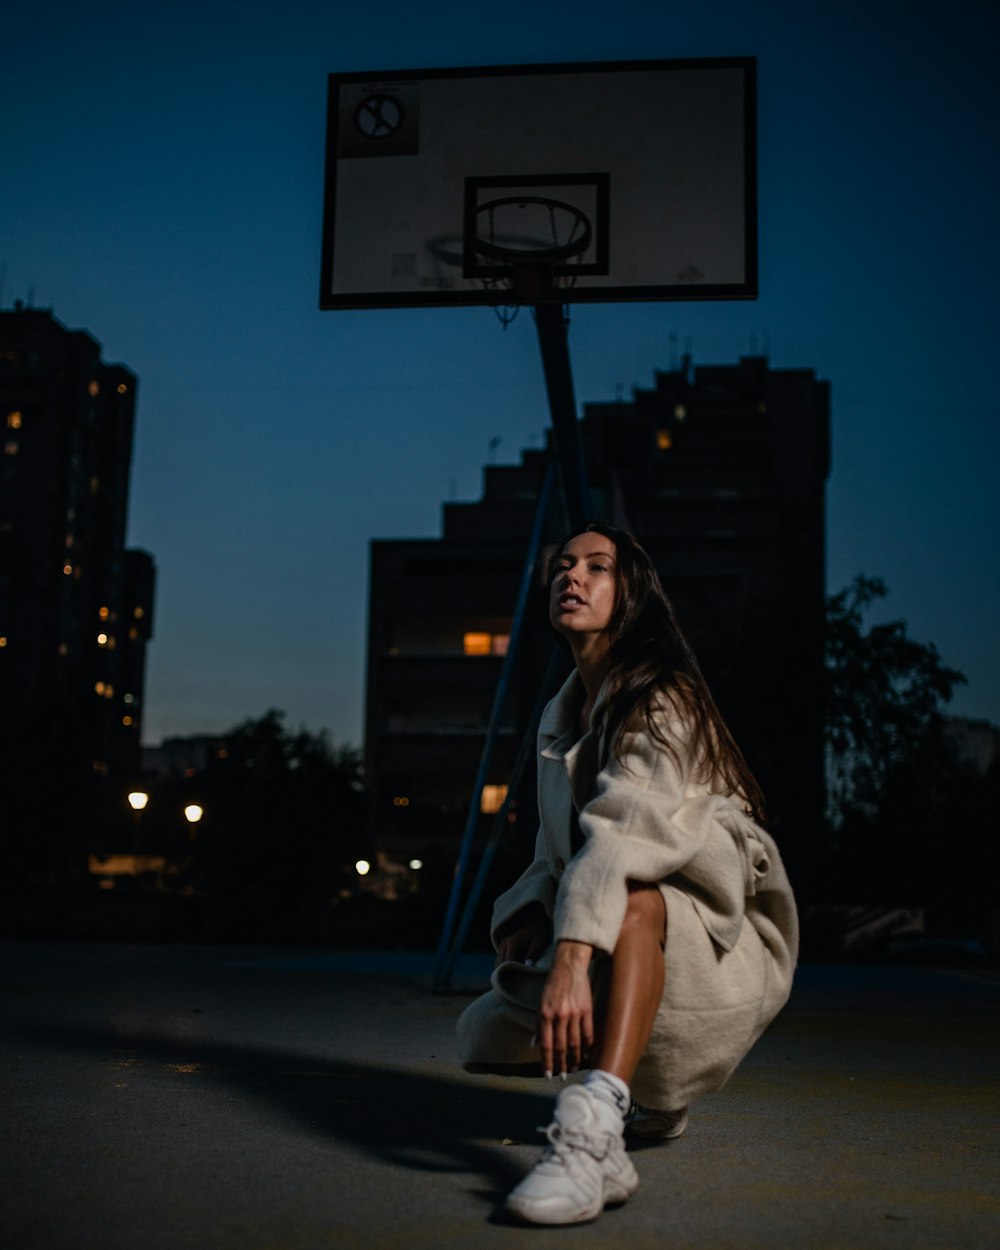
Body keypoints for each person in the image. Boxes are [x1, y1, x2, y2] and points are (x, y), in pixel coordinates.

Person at [456, 521, 798, 1226]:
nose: (570, 577)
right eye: (563, 565)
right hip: (634, 919)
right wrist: (527, 910)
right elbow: (558, 850)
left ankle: (595, 1135)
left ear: (632, 595)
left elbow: (626, 831)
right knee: (484, 1035)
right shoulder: (565, 712)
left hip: (720, 938)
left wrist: (574, 959)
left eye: (596, 567)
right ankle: (655, 1094)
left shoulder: (663, 698)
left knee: (637, 894)